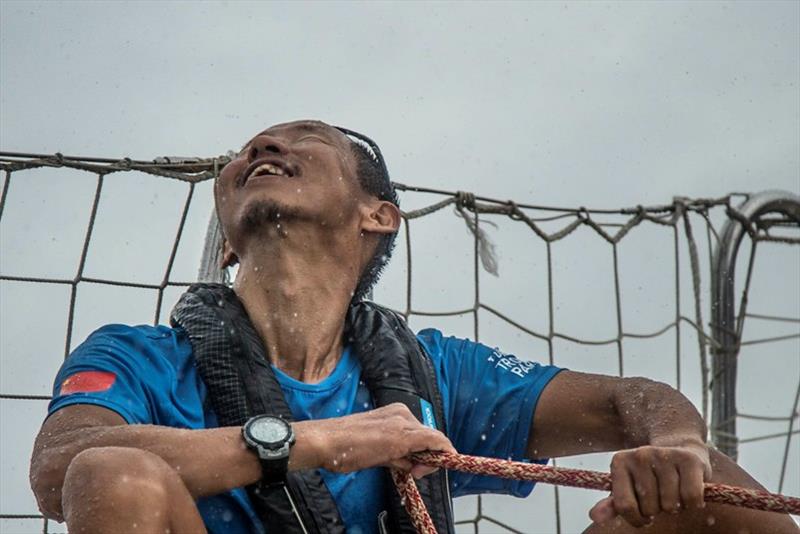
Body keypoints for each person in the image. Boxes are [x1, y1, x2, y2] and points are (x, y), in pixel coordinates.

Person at [30, 120, 796, 534]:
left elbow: (635, 398)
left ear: (378, 214)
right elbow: (60, 467)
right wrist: (328, 442)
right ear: (228, 242)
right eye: (249, 151)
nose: (262, 147)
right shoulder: (136, 355)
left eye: (304, 140)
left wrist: (678, 447)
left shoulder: (439, 371)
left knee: (707, 488)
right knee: (111, 473)